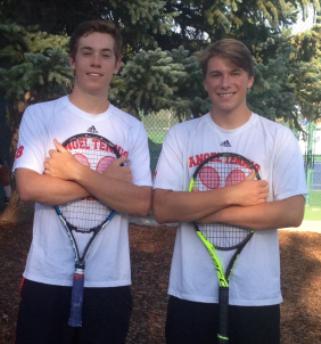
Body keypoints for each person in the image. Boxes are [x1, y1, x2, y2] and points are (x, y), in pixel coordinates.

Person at [153, 38, 306, 344]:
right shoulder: (181, 136)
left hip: (256, 299)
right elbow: (163, 209)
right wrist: (233, 195)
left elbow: (292, 211)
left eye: (235, 73)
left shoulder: (277, 137)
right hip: (190, 294)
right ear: (205, 82)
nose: (225, 82)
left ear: (249, 79)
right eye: (216, 74)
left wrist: (200, 210)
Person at [13, 19, 152, 344]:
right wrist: (107, 183)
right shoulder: (41, 115)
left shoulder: (131, 128)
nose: (95, 62)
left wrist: (74, 172)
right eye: (87, 52)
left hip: (109, 283)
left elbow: (141, 202)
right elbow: (30, 187)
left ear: (117, 64)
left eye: (106, 55)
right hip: (45, 279)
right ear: (72, 60)